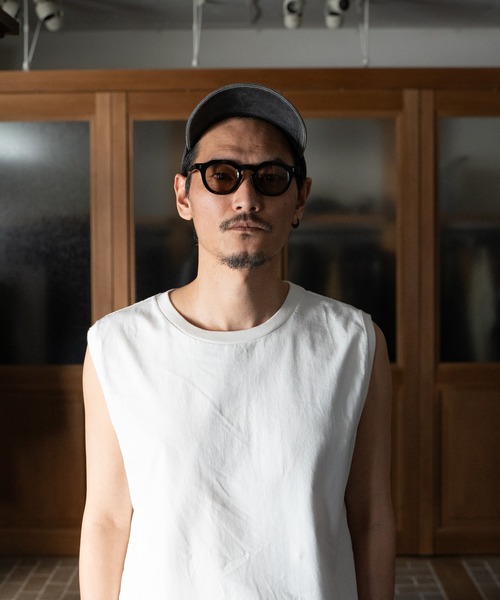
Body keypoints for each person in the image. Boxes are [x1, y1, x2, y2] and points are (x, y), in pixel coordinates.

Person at [79, 83, 395, 599]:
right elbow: (107, 519)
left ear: (300, 198)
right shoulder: (117, 346)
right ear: (184, 196)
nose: (247, 198)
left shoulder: (354, 343)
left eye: (271, 178)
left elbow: (371, 518)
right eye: (222, 175)